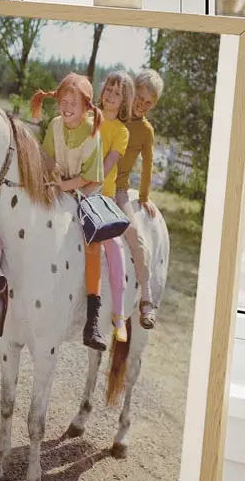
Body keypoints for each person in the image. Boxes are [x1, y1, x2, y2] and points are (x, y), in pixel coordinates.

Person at [30, 74, 108, 351]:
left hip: (86, 189)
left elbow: (88, 177)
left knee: (93, 243)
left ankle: (93, 318)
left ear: (86, 107)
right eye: (63, 101)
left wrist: (64, 186)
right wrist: (53, 182)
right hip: (60, 183)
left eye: (73, 103)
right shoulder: (54, 125)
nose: (67, 107)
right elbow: (48, 160)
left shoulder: (92, 132)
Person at [111, 69, 163, 328]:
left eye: (148, 103)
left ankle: (146, 296)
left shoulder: (146, 131)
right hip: (94, 183)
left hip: (118, 190)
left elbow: (147, 166)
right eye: (140, 98)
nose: (142, 105)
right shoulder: (115, 114)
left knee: (136, 237)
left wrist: (143, 197)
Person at [97, 71, 135, 343]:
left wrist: (86, 183)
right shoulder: (88, 118)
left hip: (101, 197)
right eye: (108, 89)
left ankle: (119, 314)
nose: (110, 95)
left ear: (124, 101)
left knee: (115, 246)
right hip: (73, 188)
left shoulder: (121, 132)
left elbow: (107, 166)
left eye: (117, 93)